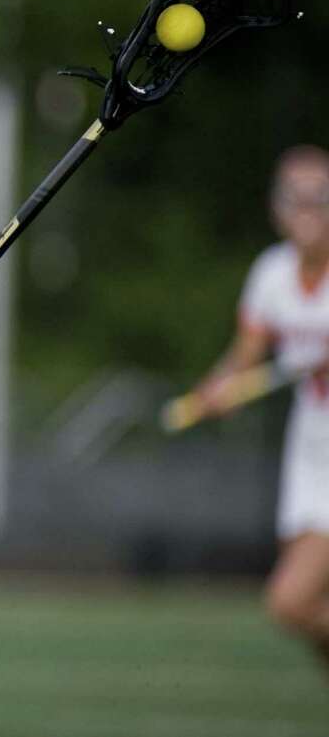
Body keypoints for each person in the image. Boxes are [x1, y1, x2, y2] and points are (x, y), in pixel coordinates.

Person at [195, 145, 329, 672]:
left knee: (290, 602)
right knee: (309, 615)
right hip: (311, 454)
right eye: (292, 198)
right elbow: (245, 359)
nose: (306, 209)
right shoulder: (272, 273)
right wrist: (216, 391)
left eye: (320, 197)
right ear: (276, 206)